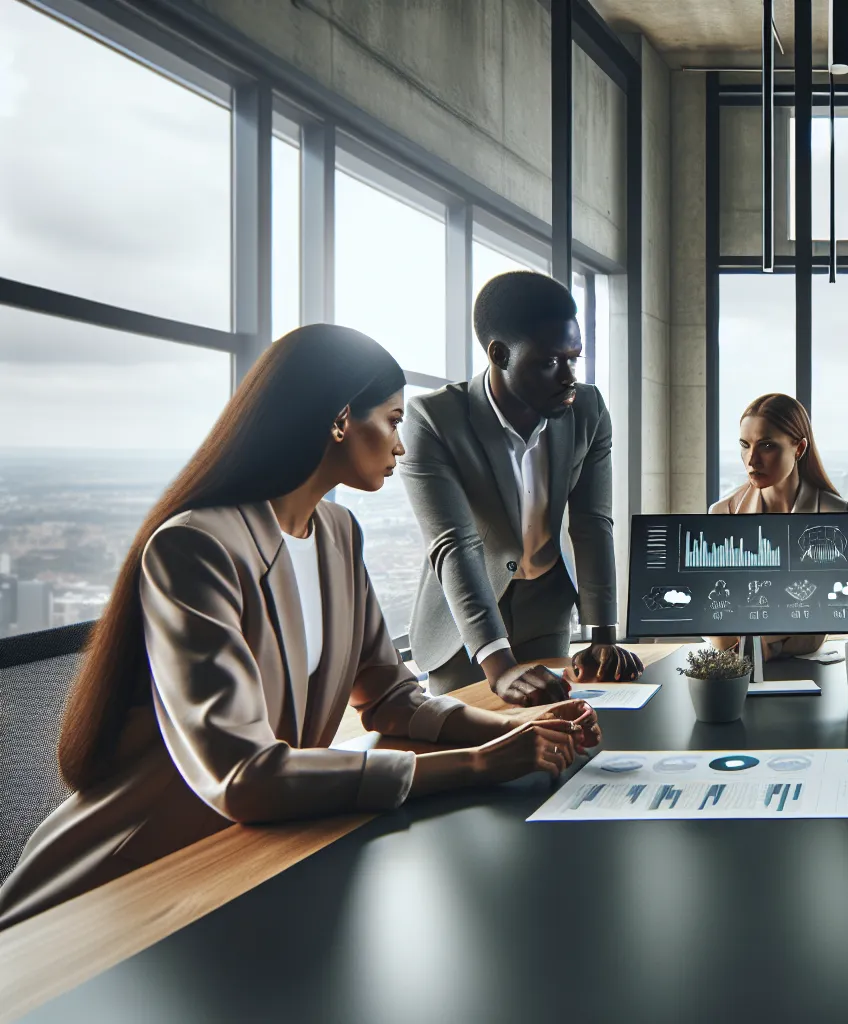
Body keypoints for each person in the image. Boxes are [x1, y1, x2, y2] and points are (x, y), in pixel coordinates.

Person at [0, 326, 600, 930]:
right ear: (340, 419)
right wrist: (478, 764)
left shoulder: (337, 532)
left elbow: (391, 699)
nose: (400, 445)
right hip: (131, 886)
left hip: (254, 862)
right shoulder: (195, 548)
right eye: (391, 421)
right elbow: (244, 776)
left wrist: (514, 727)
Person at [401, 271, 641, 705]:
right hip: (465, 627)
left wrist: (602, 635)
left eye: (574, 358)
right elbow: (455, 544)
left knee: (554, 741)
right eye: (550, 362)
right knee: (471, 751)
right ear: (500, 354)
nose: (569, 376)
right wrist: (500, 666)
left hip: (545, 608)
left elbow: (592, 523)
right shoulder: (433, 420)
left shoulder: (587, 409)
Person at [706, 393, 848, 662]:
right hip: (733, 671)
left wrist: (754, 635)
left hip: (809, 671)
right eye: (744, 445)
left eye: (766, 446)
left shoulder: (836, 514)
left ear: (799, 448)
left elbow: (823, 621)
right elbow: (714, 620)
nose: (751, 460)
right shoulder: (722, 513)